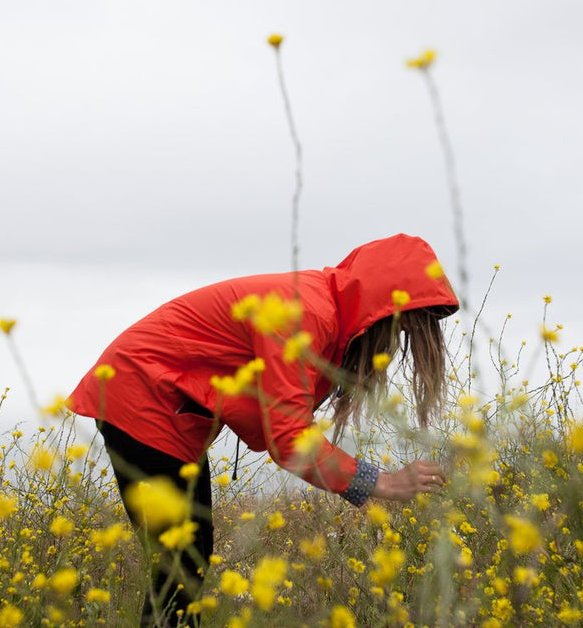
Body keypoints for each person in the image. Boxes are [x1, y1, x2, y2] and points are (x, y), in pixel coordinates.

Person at [68, 233, 459, 626]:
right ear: (379, 303)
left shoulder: (324, 312)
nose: (398, 339)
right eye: (402, 324)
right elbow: (289, 440)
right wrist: (384, 484)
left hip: (162, 407)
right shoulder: (304, 312)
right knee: (181, 566)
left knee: (188, 562)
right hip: (140, 394)